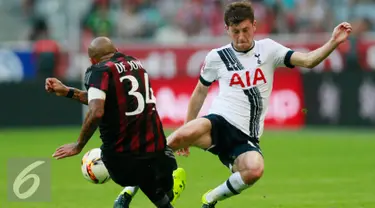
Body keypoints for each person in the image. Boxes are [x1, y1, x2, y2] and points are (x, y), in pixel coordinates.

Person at [163, 1, 351, 208]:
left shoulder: (269, 49)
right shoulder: (217, 57)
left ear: (254, 25)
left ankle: (210, 199)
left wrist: (333, 41)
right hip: (218, 122)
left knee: (255, 170)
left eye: (245, 30)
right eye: (235, 31)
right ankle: (130, 191)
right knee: (175, 139)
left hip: (246, 136)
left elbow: (307, 60)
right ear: (227, 29)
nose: (241, 37)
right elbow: (200, 91)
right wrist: (187, 125)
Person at [46, 37, 186, 208]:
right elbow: (110, 101)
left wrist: (79, 144)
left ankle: (127, 193)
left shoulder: (98, 70)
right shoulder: (136, 64)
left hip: (121, 156)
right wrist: (69, 92)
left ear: (92, 60)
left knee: (139, 174)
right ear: (116, 50)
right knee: (160, 190)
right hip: (155, 147)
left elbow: (97, 111)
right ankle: (152, 189)